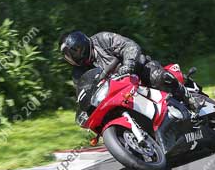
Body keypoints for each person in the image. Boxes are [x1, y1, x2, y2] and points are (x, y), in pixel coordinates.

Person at [59, 30, 200, 115]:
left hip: (137, 72)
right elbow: (83, 93)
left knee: (158, 77)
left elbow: (129, 46)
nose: (74, 57)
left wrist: (129, 64)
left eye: (75, 51)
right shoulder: (78, 73)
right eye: (69, 56)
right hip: (117, 93)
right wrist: (85, 109)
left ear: (82, 43)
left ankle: (187, 97)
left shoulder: (102, 39)